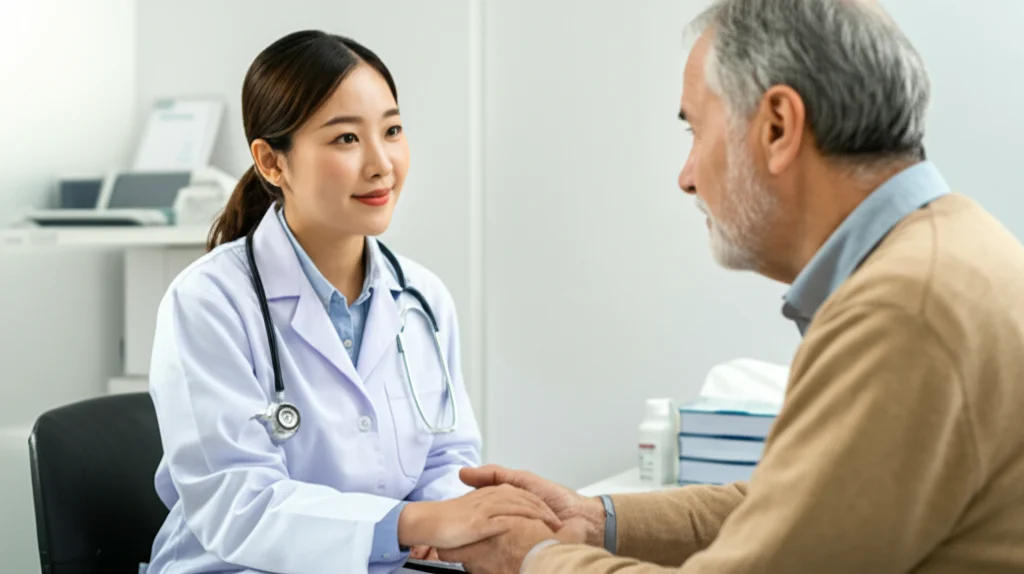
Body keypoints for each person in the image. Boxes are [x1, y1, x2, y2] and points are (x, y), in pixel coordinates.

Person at [439, 0, 1024, 572]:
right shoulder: (947, 252)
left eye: (696, 131)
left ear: (777, 127)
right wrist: (597, 521)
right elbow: (792, 511)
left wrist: (534, 559)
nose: (686, 177)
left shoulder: (905, 310)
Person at [144, 30, 559, 574]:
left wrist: (477, 515)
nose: (381, 163)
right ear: (272, 163)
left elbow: (444, 457)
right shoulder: (209, 303)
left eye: (392, 130)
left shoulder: (421, 299)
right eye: (345, 139)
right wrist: (415, 524)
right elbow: (238, 505)